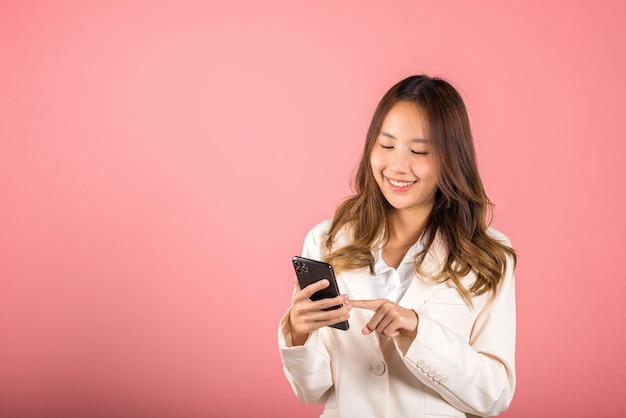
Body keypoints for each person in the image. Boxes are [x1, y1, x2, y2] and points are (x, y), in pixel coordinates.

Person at [278, 75, 517, 418]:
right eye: (386, 145)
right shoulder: (326, 241)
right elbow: (312, 389)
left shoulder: (489, 256)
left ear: (451, 159)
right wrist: (299, 333)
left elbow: (494, 396)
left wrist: (419, 333)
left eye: (419, 151)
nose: (397, 166)